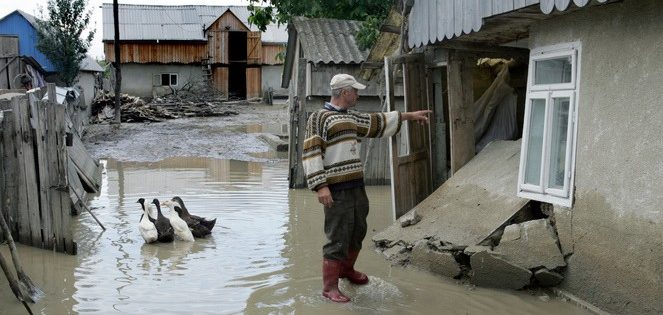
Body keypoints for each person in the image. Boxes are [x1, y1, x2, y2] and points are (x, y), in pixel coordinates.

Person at [302, 73, 432, 303]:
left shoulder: (350, 117)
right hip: (335, 188)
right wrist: (320, 186)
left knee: (358, 229)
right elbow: (311, 152)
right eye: (355, 91)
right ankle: (329, 287)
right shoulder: (319, 118)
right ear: (344, 92)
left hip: (356, 186)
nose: (358, 95)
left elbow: (377, 121)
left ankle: (347, 270)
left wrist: (410, 116)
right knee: (337, 235)